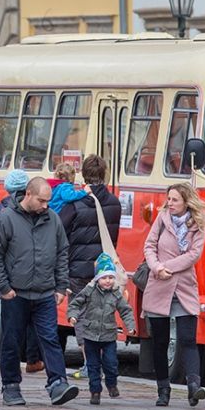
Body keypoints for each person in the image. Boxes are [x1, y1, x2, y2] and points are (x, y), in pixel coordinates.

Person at [0, 176, 78, 407]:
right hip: (16, 293)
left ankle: (58, 383)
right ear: (28, 195)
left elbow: (62, 252)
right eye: (42, 200)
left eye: (47, 201)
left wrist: (60, 286)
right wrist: (4, 287)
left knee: (50, 339)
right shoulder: (6, 219)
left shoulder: (52, 219)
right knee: (12, 341)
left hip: (45, 293)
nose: (46, 205)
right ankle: (11, 386)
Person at [142, 182, 205, 407]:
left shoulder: (197, 224)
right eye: (168, 199)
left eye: (175, 200)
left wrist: (168, 265)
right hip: (159, 284)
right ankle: (163, 390)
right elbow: (149, 246)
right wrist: (156, 267)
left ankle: (193, 387)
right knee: (159, 342)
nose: (170, 203)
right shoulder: (161, 218)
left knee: (188, 339)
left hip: (184, 287)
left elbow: (194, 254)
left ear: (186, 202)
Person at [59, 155, 122, 380]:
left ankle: (90, 363)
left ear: (83, 175)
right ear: (104, 173)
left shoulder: (75, 203)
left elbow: (61, 232)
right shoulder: (115, 202)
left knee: (81, 316)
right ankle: (105, 360)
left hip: (78, 268)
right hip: (104, 268)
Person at [0, 169, 43, 374]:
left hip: (9, 275)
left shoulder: (0, 208)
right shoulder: (34, 210)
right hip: (27, 274)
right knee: (31, 321)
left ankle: (12, 373)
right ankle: (31, 359)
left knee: (12, 324)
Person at [66, 253, 136, 405]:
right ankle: (95, 391)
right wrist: (73, 316)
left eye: (111, 277)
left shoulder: (116, 294)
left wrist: (130, 326)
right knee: (93, 366)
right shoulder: (89, 290)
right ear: (98, 278)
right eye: (104, 278)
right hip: (90, 335)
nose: (108, 281)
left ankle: (111, 384)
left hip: (108, 336)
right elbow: (76, 304)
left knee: (111, 363)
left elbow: (126, 310)